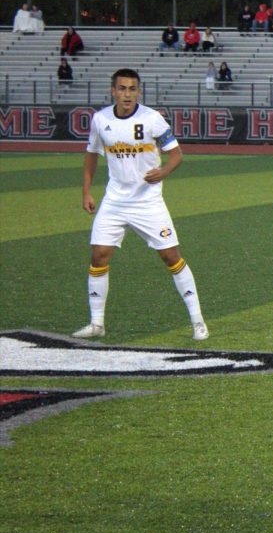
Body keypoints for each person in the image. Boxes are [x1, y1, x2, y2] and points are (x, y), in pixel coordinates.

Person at [72, 68, 208, 342]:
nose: (127, 94)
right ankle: (97, 323)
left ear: (139, 92)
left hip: (148, 202)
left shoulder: (152, 118)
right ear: (113, 90)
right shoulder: (101, 119)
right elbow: (91, 156)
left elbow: (176, 155)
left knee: (171, 257)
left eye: (132, 89)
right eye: (122, 88)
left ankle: (198, 321)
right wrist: (86, 192)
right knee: (99, 254)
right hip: (114, 201)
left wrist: (164, 171)